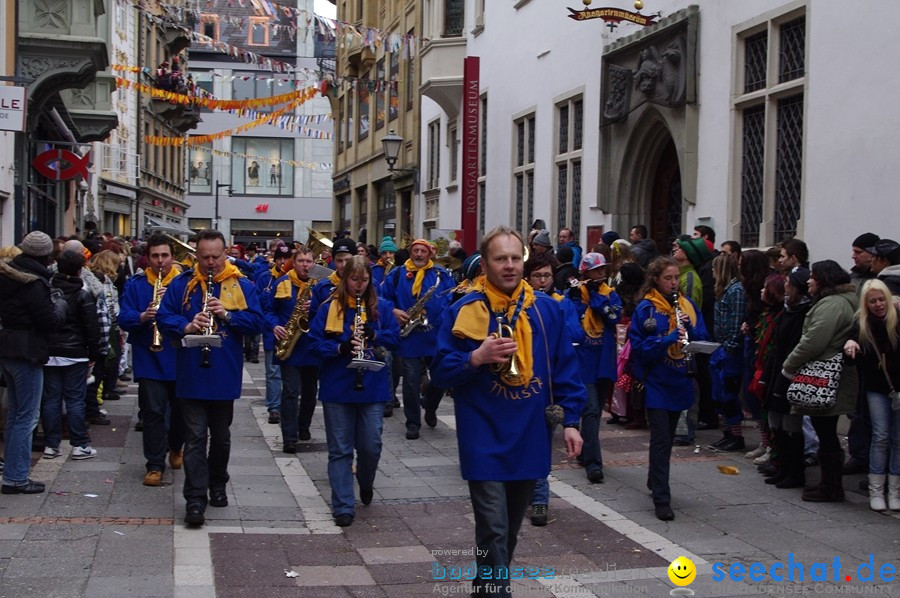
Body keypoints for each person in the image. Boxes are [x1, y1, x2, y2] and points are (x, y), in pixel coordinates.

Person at [431, 227, 585, 595]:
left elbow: (565, 369)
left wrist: (571, 422)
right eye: (501, 259)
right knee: (493, 526)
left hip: (529, 433)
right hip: (482, 433)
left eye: (516, 258)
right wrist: (475, 357)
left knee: (511, 527)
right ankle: (498, 591)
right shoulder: (464, 309)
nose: (511, 266)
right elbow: (438, 372)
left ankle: (486, 584)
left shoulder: (547, 309)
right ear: (485, 265)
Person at [156, 229, 264, 526]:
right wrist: (188, 325)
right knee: (195, 438)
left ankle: (217, 483)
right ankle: (194, 500)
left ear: (225, 252)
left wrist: (228, 315)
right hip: (191, 372)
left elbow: (257, 322)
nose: (211, 263)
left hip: (224, 372)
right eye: (205, 258)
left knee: (222, 438)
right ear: (196, 256)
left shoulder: (241, 284)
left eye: (216, 257)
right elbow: (164, 318)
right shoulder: (183, 284)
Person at [308, 256, 400, 526]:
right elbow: (313, 344)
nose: (359, 285)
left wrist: (375, 335)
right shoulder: (330, 308)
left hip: (371, 386)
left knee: (371, 445)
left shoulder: (382, 307)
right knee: (340, 449)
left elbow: (396, 337)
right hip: (338, 386)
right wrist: (339, 348)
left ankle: (366, 479)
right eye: (353, 279)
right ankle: (343, 506)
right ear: (344, 278)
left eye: (364, 280)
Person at [628, 256, 708, 521]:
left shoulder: (687, 305)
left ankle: (654, 479)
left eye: (676, 278)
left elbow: (702, 338)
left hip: (680, 379)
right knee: (661, 439)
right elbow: (639, 349)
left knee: (669, 437)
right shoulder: (647, 309)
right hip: (656, 382)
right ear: (656, 280)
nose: (674, 283)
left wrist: (691, 331)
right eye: (668, 279)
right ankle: (662, 498)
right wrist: (667, 338)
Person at [782, 260, 858, 503]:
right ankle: (830, 485)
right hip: (834, 374)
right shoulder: (841, 301)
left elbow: (814, 340)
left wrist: (790, 364)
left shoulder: (831, 305)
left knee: (825, 431)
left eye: (813, 276)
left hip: (825, 375)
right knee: (826, 432)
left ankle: (831, 487)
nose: (808, 281)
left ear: (824, 279)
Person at [0, 231, 68, 493]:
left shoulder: (7, 275)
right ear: (46, 256)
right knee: (26, 416)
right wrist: (59, 304)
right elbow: (50, 321)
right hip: (27, 351)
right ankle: (16, 477)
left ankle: (13, 473)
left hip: (8, 347)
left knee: (17, 414)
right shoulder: (33, 283)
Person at [118, 234, 185, 486]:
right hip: (149, 359)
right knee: (153, 412)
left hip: (178, 356)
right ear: (148, 257)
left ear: (172, 257)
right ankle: (155, 465)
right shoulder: (136, 284)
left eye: (164, 256)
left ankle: (176, 446)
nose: (160, 261)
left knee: (180, 413)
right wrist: (143, 316)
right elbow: (123, 318)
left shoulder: (183, 283)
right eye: (155, 256)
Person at [381, 239, 455, 440]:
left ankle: (430, 406)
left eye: (423, 251)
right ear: (410, 253)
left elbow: (451, 299)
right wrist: (393, 310)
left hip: (435, 335)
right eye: (416, 250)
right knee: (411, 383)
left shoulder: (441, 275)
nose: (419, 254)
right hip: (409, 336)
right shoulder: (397, 274)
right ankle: (413, 423)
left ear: (430, 254)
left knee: (441, 377)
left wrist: (443, 316)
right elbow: (382, 298)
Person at [41, 250, 102, 461]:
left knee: (51, 399)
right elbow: (91, 326)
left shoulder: (47, 291)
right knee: (75, 399)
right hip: (75, 352)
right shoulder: (82, 294)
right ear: (79, 270)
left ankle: (51, 445)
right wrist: (94, 352)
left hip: (49, 352)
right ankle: (79, 444)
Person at [844, 280, 900, 511]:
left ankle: (894, 490)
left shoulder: (897, 319)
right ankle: (876, 489)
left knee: (898, 439)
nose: (878, 305)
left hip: (898, 388)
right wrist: (849, 346)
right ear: (866, 304)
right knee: (880, 436)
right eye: (873, 301)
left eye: (881, 299)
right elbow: (850, 357)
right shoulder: (861, 324)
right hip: (876, 388)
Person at [567, 253, 622, 484]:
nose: (600, 274)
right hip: (583, 360)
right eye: (596, 270)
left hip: (603, 360)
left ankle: (586, 452)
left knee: (596, 411)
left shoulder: (610, 294)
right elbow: (570, 323)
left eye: (602, 270)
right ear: (586, 273)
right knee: (589, 410)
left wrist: (596, 298)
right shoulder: (574, 295)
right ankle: (594, 464)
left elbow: (613, 316)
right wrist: (582, 295)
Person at [759, 267, 810, 489]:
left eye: (789, 282)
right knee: (775, 422)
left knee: (791, 425)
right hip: (776, 370)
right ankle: (782, 465)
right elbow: (776, 347)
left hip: (789, 374)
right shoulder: (787, 311)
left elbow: (794, 347)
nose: (786, 285)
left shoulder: (802, 313)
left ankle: (795, 471)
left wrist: (783, 376)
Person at [269, 246, 320, 451]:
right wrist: (274, 326)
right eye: (301, 261)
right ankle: (289, 436)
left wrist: (315, 307)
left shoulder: (321, 286)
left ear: (313, 263)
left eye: (308, 261)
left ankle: (303, 426)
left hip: (312, 346)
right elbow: (268, 310)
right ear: (294, 262)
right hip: (289, 345)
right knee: (290, 391)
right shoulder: (282, 283)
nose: (305, 265)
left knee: (310, 391)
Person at [708, 254, 748, 452]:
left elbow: (736, 322)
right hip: (721, 347)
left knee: (729, 395)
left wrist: (729, 347)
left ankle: (736, 435)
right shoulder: (724, 290)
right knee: (719, 395)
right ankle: (728, 433)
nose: (712, 273)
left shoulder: (736, 291)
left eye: (715, 269)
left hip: (730, 350)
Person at [256, 244, 292, 425]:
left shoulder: (296, 278)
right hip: (272, 332)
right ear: (275, 260)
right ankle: (274, 407)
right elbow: (259, 305)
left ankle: (290, 405)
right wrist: (270, 325)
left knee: (292, 373)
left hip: (293, 333)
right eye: (280, 259)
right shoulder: (265, 278)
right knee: (273, 371)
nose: (283, 262)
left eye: (286, 259)